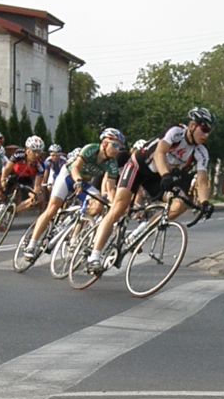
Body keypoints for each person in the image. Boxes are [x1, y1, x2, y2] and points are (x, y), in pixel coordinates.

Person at [86, 106, 216, 274]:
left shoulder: (201, 152)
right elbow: (159, 153)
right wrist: (166, 175)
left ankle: (140, 232)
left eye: (209, 131)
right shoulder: (176, 132)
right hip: (138, 166)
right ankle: (94, 257)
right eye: (204, 129)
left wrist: (205, 202)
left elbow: (202, 179)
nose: (206, 135)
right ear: (192, 126)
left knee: (181, 203)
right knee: (119, 208)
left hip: (155, 176)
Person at [22, 128, 126, 261]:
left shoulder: (112, 163)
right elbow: (76, 167)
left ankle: (78, 220)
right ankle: (32, 244)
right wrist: (77, 181)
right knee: (53, 208)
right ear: (105, 143)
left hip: (84, 182)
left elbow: (111, 188)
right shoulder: (91, 149)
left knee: (99, 203)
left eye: (120, 147)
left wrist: (113, 203)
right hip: (69, 176)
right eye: (115, 145)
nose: (118, 150)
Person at [0, 135, 45, 240]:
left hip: (26, 180)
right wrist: (3, 181)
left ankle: (12, 211)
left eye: (39, 152)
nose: (37, 155)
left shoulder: (40, 165)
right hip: (12, 175)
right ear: (27, 150)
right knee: (0, 192)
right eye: (34, 151)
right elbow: (7, 169)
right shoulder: (19, 154)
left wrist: (35, 193)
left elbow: (37, 185)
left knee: (36, 198)